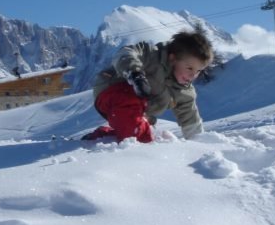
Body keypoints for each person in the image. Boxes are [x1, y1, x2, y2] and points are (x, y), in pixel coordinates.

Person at [83, 31, 214, 143]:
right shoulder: (152, 55)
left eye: (198, 71)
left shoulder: (185, 92)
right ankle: (130, 136)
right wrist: (135, 73)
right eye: (189, 68)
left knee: (144, 135)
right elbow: (125, 53)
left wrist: (199, 144)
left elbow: (191, 122)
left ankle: (105, 137)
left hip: (138, 109)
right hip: (112, 89)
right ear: (173, 58)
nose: (193, 75)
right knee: (130, 113)